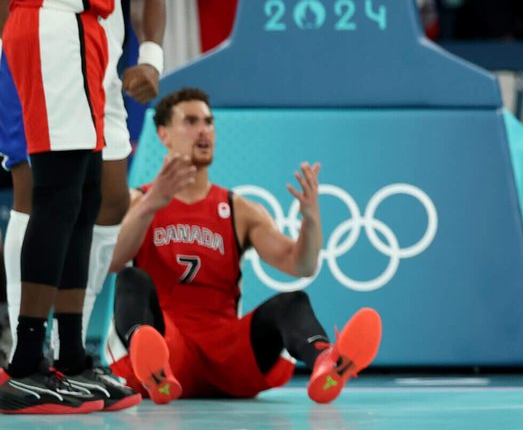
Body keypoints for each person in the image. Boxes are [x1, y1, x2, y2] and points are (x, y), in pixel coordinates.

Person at [0, 0, 168, 410]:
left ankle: (70, 354)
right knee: (56, 193)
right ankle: (25, 360)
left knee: (92, 194)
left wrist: (146, 54)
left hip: (93, 39)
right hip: (50, 26)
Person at [106, 88, 382, 404]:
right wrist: (152, 204)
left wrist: (312, 221)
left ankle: (327, 360)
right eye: (191, 121)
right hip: (167, 346)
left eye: (209, 122)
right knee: (132, 280)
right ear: (163, 134)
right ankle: (151, 364)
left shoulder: (239, 210)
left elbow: (300, 265)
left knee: (290, 302)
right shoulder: (137, 201)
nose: (203, 130)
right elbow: (113, 262)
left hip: (226, 354)